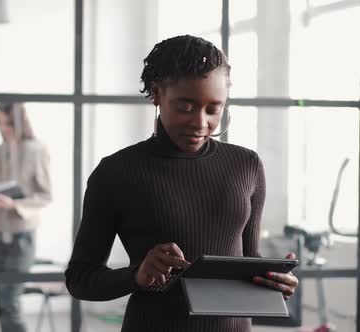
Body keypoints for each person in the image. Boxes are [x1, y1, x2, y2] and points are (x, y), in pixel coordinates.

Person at [65, 35, 299, 332]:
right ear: (156, 93)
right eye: (185, 107)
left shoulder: (246, 165)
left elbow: (249, 263)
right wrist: (137, 276)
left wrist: (276, 281)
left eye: (213, 109)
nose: (200, 123)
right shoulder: (116, 172)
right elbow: (80, 279)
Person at [0, 102, 51, 332]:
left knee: (10, 302)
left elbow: (45, 195)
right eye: (0, 123)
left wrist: (15, 204)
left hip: (22, 235)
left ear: (20, 121)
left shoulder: (36, 150)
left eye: (8, 123)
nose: (4, 129)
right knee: (3, 303)